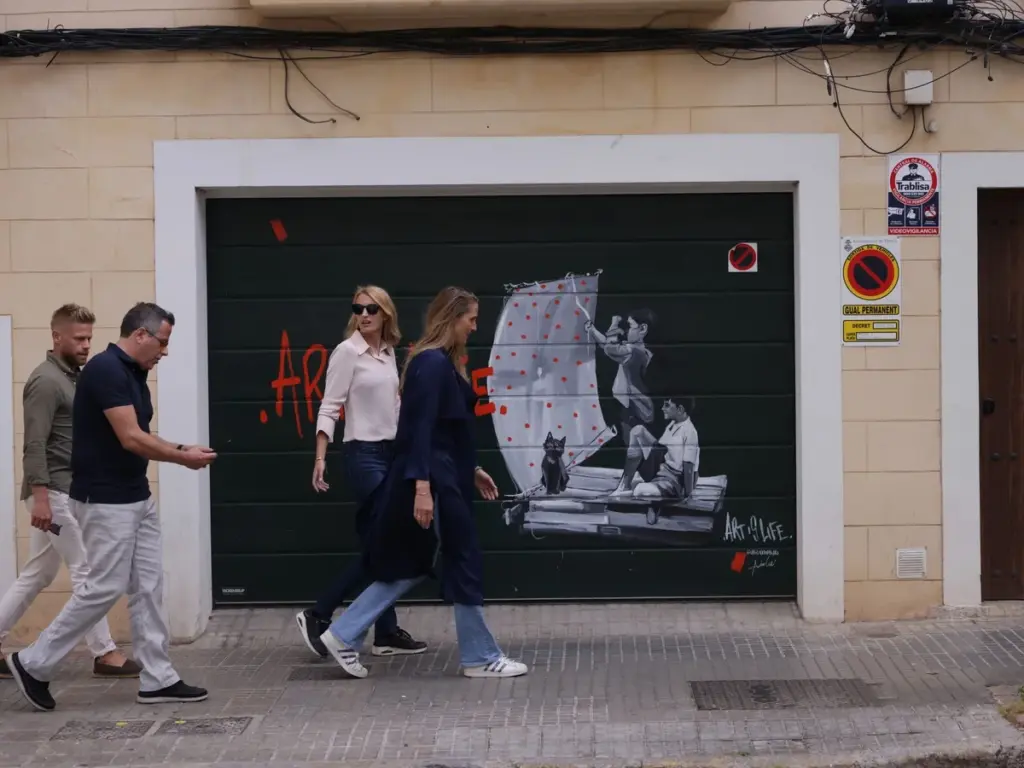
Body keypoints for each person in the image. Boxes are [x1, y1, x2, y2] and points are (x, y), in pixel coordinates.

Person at [7, 302, 217, 712]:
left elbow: (135, 436)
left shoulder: (133, 373)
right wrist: (182, 453)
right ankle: (32, 662)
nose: (165, 351)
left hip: (134, 495)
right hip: (104, 501)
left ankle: (158, 678)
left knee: (150, 586)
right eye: (163, 341)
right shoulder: (105, 371)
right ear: (140, 334)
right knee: (102, 587)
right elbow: (131, 437)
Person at [317, 287, 528, 680]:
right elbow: (418, 431)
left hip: (445, 476)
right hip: (435, 482)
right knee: (462, 560)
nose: (475, 327)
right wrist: (423, 489)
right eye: (472, 319)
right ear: (453, 318)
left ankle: (344, 634)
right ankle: (480, 657)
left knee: (410, 563)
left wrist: (472, 470)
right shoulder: (431, 365)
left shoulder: (440, 363)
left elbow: (445, 433)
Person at [0, 305, 141, 681]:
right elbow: (33, 443)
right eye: (78, 338)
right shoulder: (45, 381)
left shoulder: (76, 379)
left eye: (89, 338)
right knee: (87, 570)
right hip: (55, 492)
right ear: (56, 337)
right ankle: (105, 653)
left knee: (37, 574)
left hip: (68, 489)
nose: (85, 345)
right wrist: (41, 497)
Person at [295, 285, 427, 659]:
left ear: (386, 314)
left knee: (380, 544)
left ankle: (384, 633)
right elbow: (329, 405)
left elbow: (397, 410)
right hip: (364, 455)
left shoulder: (388, 355)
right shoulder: (347, 352)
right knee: (387, 540)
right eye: (358, 308)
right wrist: (320, 457)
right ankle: (319, 612)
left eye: (372, 309)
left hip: (392, 454)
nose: (364, 314)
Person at [612, 399, 699, 499]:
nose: (662, 408)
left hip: (672, 480)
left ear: (680, 409)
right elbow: (661, 448)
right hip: (660, 468)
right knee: (637, 430)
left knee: (639, 489)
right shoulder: (673, 424)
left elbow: (689, 467)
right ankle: (624, 485)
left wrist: (687, 495)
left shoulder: (690, 432)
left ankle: (640, 487)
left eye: (667, 405)